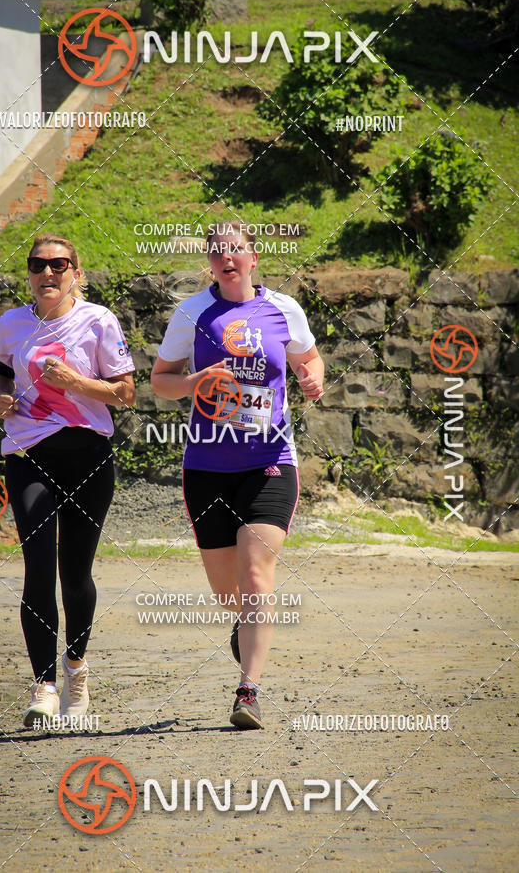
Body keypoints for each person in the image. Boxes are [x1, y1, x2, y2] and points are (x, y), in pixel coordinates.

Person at [151, 221, 324, 729]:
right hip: (207, 465)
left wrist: (312, 379)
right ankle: (244, 627)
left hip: (270, 461)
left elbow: (310, 360)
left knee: (255, 575)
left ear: (253, 257)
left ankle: (248, 691)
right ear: (210, 263)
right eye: (217, 252)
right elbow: (160, 381)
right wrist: (194, 381)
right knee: (230, 593)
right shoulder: (192, 312)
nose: (227, 258)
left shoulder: (284, 309)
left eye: (236, 250)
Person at [0, 233, 135, 728]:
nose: (47, 273)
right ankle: (45, 686)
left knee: (74, 576)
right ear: (29, 273)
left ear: (76, 271)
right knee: (37, 568)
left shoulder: (99, 320)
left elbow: (126, 393)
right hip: (28, 454)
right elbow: (2, 373)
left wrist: (75, 383)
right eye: (38, 265)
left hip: (87, 458)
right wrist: (0, 398)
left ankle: (75, 666)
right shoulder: (11, 323)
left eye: (58, 264)